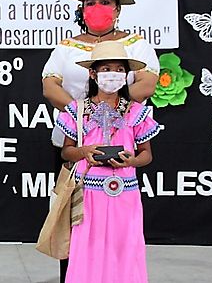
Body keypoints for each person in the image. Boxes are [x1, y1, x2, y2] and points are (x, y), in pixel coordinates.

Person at [41, 0, 159, 281]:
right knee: (76, 222)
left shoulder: (136, 44)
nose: (97, 8)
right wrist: (84, 115)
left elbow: (147, 82)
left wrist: (114, 107)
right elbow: (49, 85)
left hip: (124, 142)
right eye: (90, 3)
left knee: (121, 229)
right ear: (82, 9)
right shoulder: (67, 47)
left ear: (117, 8)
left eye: (105, 2)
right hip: (78, 144)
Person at [55, 41, 158, 283]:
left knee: (125, 247)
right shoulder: (77, 110)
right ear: (93, 73)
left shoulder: (136, 111)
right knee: (87, 248)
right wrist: (85, 151)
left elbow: (147, 154)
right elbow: (66, 152)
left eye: (119, 70)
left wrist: (131, 161)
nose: (113, 74)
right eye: (106, 69)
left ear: (126, 75)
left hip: (125, 192)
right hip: (88, 193)